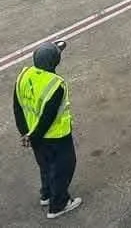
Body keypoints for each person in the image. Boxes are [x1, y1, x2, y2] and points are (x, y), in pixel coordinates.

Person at [13, 41, 82, 219]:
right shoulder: (55, 85)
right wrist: (34, 135)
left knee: (45, 165)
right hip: (56, 136)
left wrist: (26, 134)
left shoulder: (24, 75)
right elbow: (48, 117)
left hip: (33, 135)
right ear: (54, 63)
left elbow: (18, 107)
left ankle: (46, 194)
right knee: (63, 167)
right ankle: (58, 205)